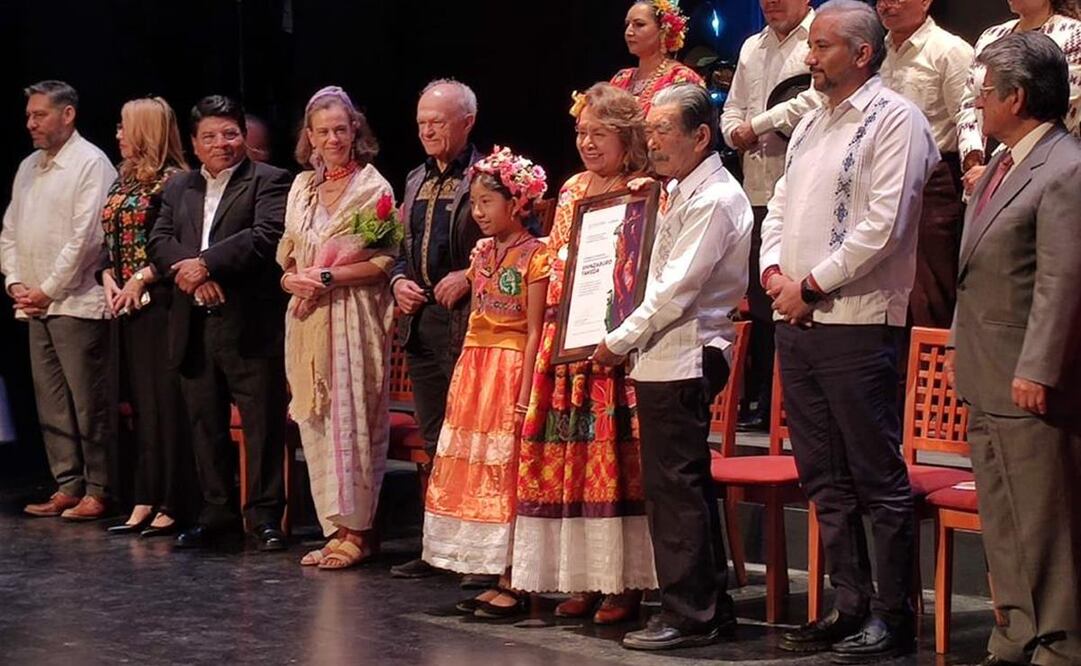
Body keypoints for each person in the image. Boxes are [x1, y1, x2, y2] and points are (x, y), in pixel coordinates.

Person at [760, 1, 939, 661]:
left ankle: (893, 619)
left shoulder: (897, 122)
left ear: (862, 54)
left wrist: (809, 286)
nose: (809, 56)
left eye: (823, 46)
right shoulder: (810, 123)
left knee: (874, 477)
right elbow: (777, 204)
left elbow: (882, 223)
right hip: (797, 319)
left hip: (857, 322)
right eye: (811, 45)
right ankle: (848, 605)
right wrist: (775, 273)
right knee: (822, 477)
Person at [592, 83, 751, 651]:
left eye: (663, 131)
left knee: (677, 488)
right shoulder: (681, 190)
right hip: (662, 354)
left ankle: (693, 614)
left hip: (684, 351)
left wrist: (617, 338)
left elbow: (677, 290)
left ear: (701, 135)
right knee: (677, 486)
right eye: (649, 131)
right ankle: (705, 604)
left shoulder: (714, 199)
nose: (651, 142)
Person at [947, 32, 1081, 666]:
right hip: (985, 368)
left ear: (1017, 97)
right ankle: (1016, 632)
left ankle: (1061, 642)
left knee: (1044, 520)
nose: (978, 104)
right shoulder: (1000, 164)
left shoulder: (1065, 167)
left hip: (1029, 378)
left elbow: (1063, 279)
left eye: (985, 94)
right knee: (1003, 518)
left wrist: (1039, 367)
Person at [511, 83, 656, 625]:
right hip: (564, 339)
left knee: (611, 463)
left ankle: (623, 585)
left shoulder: (642, 188)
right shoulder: (572, 188)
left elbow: (636, 265)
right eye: (581, 133)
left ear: (626, 137)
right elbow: (551, 257)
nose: (588, 143)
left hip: (610, 344)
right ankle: (583, 579)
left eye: (600, 133)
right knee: (567, 462)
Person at [147, 95, 293, 552]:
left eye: (230, 133)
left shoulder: (270, 181)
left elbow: (266, 236)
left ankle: (266, 516)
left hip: (248, 321)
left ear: (243, 136)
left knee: (262, 424)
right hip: (192, 322)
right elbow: (158, 239)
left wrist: (205, 265)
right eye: (209, 136)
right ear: (193, 143)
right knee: (204, 424)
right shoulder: (178, 188)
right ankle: (217, 515)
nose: (222, 143)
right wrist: (193, 277)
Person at [422, 147, 549, 618]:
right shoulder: (482, 252)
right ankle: (492, 571)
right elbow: (477, 313)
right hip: (476, 367)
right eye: (473, 204)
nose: (478, 214)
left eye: (487, 203)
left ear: (516, 203)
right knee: (478, 473)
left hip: (511, 367)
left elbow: (535, 328)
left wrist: (525, 392)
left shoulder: (537, 256)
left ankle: (516, 579)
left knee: (508, 472)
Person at [277, 86, 396, 569]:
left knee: (354, 418)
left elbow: (386, 260)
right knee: (319, 420)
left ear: (356, 131)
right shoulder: (301, 188)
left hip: (353, 315)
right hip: (308, 318)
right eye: (323, 131)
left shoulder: (375, 189)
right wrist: (291, 277)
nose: (333, 139)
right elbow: (287, 253)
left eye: (341, 130)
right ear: (309, 137)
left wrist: (330, 276)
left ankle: (358, 529)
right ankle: (337, 528)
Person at [0, 80, 117, 520]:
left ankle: (100, 487)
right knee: (51, 401)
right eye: (29, 115)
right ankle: (68, 483)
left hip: (76, 302)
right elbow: (10, 230)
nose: (30, 123)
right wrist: (15, 282)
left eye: (39, 115)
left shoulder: (91, 163)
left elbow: (87, 238)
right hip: (34, 303)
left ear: (67, 115)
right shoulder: (29, 166)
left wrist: (47, 287)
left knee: (88, 401)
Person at [388, 80, 486, 581]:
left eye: (438, 121)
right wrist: (399, 279)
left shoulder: (489, 176)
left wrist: (469, 275)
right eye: (422, 120)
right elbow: (402, 247)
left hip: (468, 322)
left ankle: (476, 553)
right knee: (434, 438)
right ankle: (438, 547)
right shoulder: (414, 178)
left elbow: (518, 240)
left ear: (466, 122)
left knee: (470, 436)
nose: (428, 129)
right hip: (422, 322)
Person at [721, 0, 820, 431]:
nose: (771, 3)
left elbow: (817, 98)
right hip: (754, 187)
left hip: (803, 189)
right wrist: (733, 131)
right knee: (760, 301)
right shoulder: (750, 48)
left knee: (796, 297)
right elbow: (731, 109)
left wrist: (757, 125)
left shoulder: (819, 38)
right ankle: (762, 402)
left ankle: (794, 405)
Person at [100, 96, 192, 537]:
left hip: (163, 303)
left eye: (124, 126)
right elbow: (110, 240)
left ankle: (173, 499)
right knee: (138, 405)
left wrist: (140, 277)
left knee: (164, 405)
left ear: (145, 131)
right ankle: (143, 495)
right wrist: (108, 276)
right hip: (126, 304)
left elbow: (177, 244)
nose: (117, 133)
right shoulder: (123, 181)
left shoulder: (176, 182)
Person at [878, 0, 974, 328]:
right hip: (882, 175)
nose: (886, 5)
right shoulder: (877, 50)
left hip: (933, 177)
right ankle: (893, 374)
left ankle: (931, 375)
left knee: (929, 288)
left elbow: (968, 117)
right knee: (884, 283)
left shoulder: (949, 50)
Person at [957, 0, 1081, 194]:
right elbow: (970, 102)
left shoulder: (1074, 35)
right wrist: (973, 157)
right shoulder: (991, 36)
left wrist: (997, 169)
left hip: (1038, 172)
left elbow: (1055, 111)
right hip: (979, 175)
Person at [610, 0, 704, 113]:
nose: (628, 32)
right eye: (627, 24)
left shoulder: (682, 78)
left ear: (663, 30)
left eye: (639, 24)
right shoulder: (621, 78)